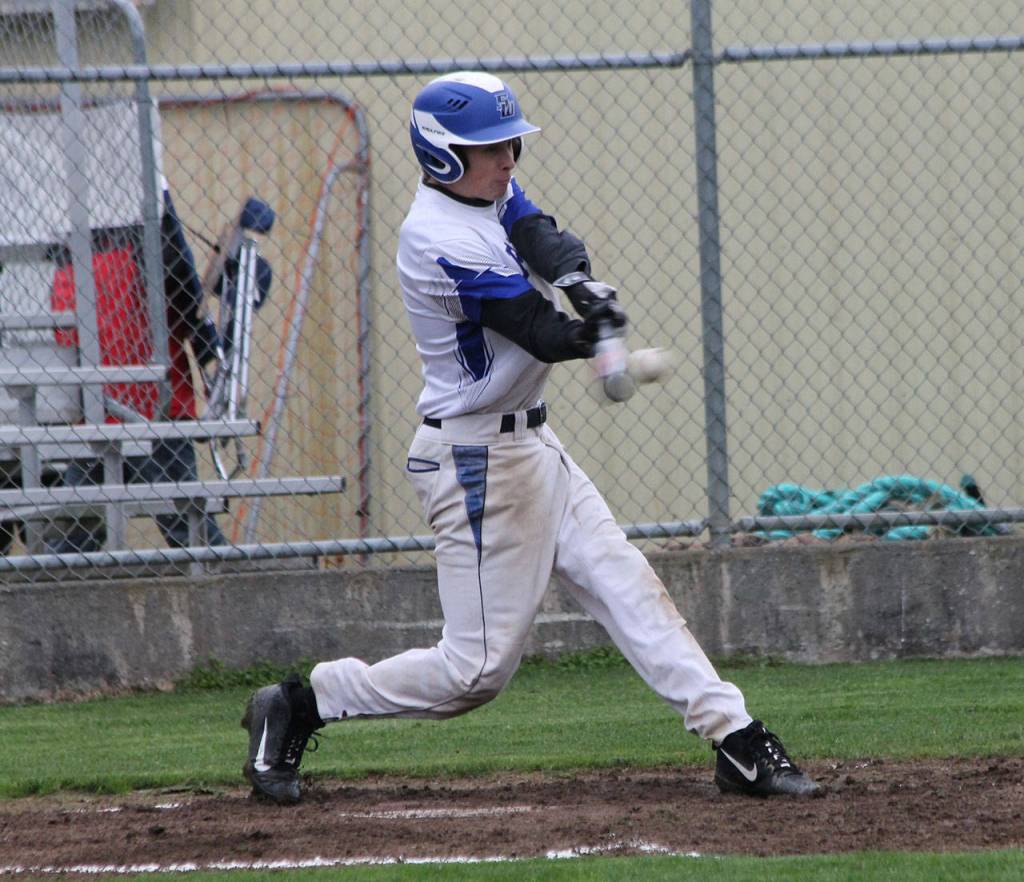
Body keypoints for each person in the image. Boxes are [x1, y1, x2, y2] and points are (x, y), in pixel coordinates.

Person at [241, 71, 820, 804]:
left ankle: (736, 739)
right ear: (446, 157)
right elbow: (535, 330)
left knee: (628, 585)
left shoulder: (487, 195)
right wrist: (592, 332)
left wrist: (581, 281)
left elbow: (539, 233)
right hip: (478, 460)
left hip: (532, 449)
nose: (508, 159)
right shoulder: (436, 236)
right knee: (474, 673)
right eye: (490, 149)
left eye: (510, 143)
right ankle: (305, 701)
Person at [45, 187, 226, 552]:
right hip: (144, 399)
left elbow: (179, 289)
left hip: (112, 399)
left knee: (77, 532)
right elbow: (181, 290)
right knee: (184, 522)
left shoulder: (70, 223)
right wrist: (206, 347)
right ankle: (226, 575)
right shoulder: (141, 201)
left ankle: (227, 573)